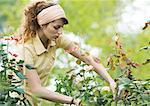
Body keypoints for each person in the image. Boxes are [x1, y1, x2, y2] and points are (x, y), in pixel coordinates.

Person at [9, 0, 116, 106]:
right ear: (42, 24)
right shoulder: (25, 50)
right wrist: (73, 101)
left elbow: (87, 58)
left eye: (61, 27)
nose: (60, 32)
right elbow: (37, 89)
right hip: (16, 102)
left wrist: (110, 81)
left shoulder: (56, 39)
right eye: (56, 27)